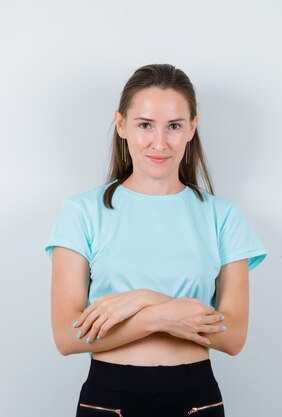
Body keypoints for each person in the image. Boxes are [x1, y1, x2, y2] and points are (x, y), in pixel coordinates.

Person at [44, 63, 267, 417]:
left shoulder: (223, 216)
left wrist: (142, 300)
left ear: (192, 127)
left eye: (174, 126)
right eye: (145, 125)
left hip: (196, 395)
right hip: (108, 394)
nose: (159, 142)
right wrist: (160, 318)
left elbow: (234, 336)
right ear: (121, 125)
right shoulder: (81, 212)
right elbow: (67, 337)